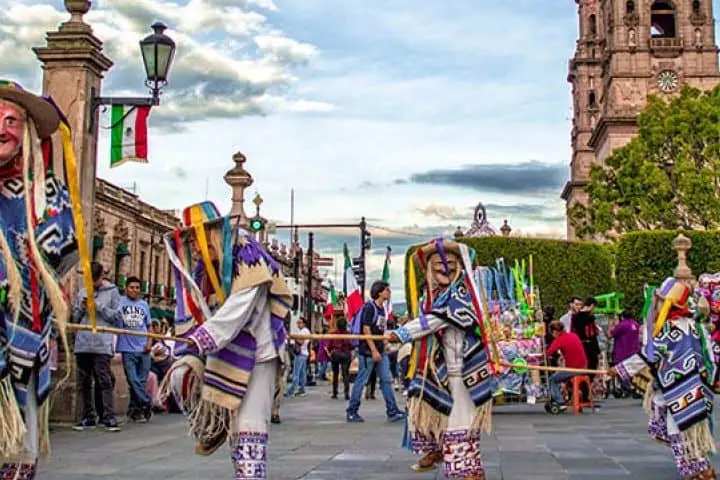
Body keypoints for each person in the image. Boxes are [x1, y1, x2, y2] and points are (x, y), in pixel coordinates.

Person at [159, 201, 292, 479]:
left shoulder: (247, 254)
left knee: (249, 428)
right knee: (184, 380)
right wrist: (189, 343)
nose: (194, 247)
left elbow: (237, 311)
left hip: (259, 354)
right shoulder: (206, 269)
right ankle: (222, 441)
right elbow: (198, 309)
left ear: (212, 233)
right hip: (225, 349)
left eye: (195, 238)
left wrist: (200, 340)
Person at [0, 80, 80, 478]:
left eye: (11, 120)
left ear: (28, 130)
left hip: (22, 339)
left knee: (18, 441)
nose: (2, 129)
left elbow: (61, 257)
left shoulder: (46, 195)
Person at [388, 238, 496, 480]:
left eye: (450, 262)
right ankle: (439, 453)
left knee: (461, 426)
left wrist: (402, 333)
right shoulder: (433, 297)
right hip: (444, 370)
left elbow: (436, 320)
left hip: (464, 371)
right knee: (432, 410)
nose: (444, 267)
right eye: (438, 263)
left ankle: (465, 473)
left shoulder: (460, 295)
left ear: (459, 266)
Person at [610, 277, 718, 480]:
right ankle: (700, 470)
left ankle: (699, 472)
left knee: (678, 430)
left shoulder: (670, 330)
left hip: (681, 389)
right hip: (697, 386)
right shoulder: (695, 327)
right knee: (687, 431)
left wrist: (619, 370)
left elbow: (649, 355)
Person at [71, 262, 123, 432]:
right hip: (84, 342)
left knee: (104, 380)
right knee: (84, 381)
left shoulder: (112, 293)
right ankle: (88, 415)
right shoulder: (82, 292)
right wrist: (81, 307)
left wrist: (98, 307)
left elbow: (116, 317)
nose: (92, 284)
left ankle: (108, 416)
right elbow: (76, 318)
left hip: (101, 342)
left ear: (102, 277)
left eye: (95, 280)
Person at [346, 280, 405, 423]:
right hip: (367, 352)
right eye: (387, 290)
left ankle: (392, 410)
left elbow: (379, 329)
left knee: (386, 380)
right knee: (361, 380)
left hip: (380, 349)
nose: (389, 293)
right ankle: (352, 411)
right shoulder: (369, 308)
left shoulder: (382, 309)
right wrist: (373, 350)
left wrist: (384, 343)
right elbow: (366, 329)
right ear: (380, 292)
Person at [117, 276, 153, 422]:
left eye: (137, 288)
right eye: (132, 287)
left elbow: (149, 325)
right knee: (133, 380)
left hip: (144, 347)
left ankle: (135, 410)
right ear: (126, 288)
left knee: (141, 381)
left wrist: (150, 342)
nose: (135, 290)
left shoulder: (144, 305)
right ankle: (146, 402)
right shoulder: (119, 303)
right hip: (127, 348)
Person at [545, 321, 587, 411]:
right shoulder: (574, 335)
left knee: (553, 379)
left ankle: (560, 402)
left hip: (573, 368)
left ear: (555, 332)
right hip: (583, 366)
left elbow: (548, 353)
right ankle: (575, 394)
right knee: (562, 376)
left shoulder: (560, 339)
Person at [328, 317, 353, 400]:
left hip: (335, 353)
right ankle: (346, 394)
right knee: (345, 374)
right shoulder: (348, 334)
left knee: (335, 373)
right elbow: (351, 345)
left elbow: (329, 346)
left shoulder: (333, 334)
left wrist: (331, 351)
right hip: (346, 354)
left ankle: (335, 393)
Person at [285, 318, 310, 398]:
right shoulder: (306, 331)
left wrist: (293, 337)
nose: (298, 324)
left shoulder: (303, 331)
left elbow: (301, 341)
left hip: (300, 353)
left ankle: (291, 391)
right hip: (304, 353)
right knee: (302, 373)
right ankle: (302, 389)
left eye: (300, 322)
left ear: (304, 323)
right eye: (297, 323)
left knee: (296, 373)